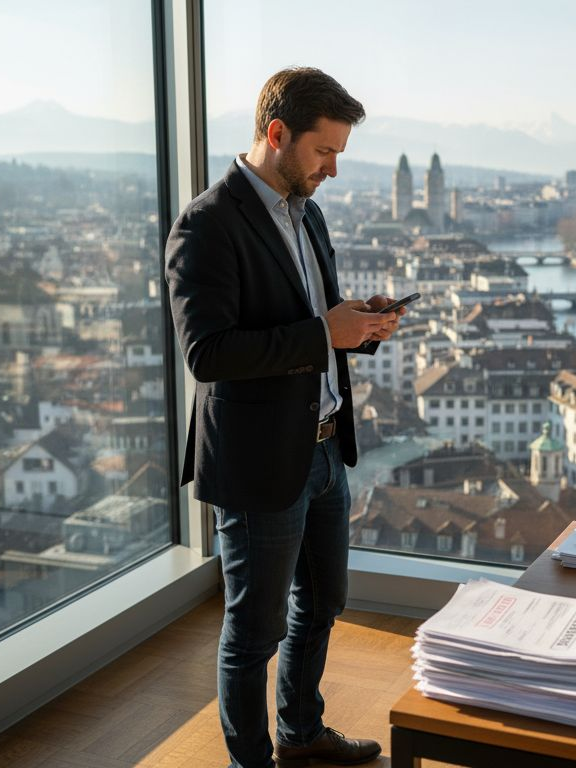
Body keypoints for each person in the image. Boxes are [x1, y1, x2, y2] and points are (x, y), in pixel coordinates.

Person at [165, 67, 403, 768]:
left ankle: (300, 732)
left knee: (323, 602)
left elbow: (311, 322)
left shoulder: (308, 212)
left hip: (324, 446)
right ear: (277, 134)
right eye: (324, 152)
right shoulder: (205, 225)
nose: (333, 169)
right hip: (258, 461)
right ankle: (252, 764)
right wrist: (323, 334)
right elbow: (207, 354)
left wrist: (357, 322)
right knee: (253, 630)